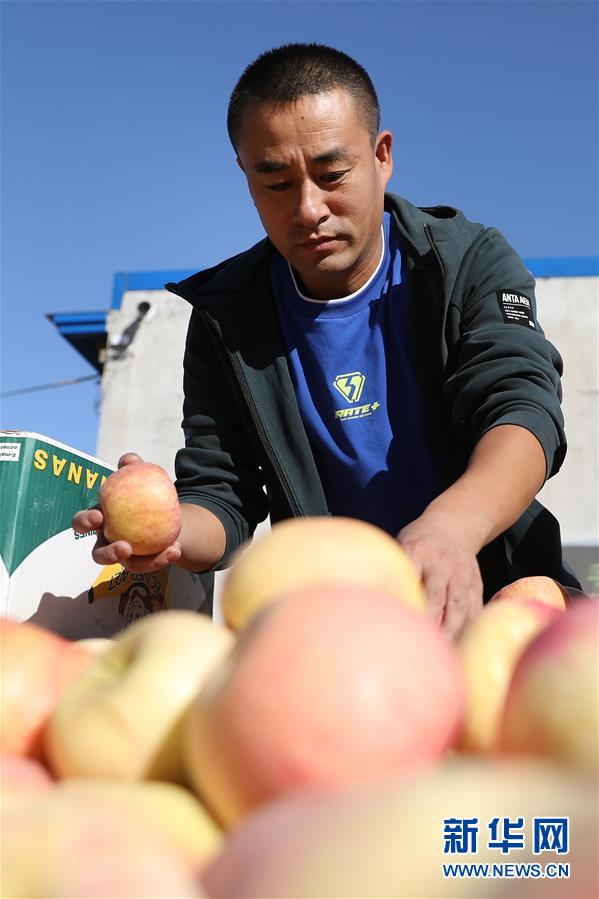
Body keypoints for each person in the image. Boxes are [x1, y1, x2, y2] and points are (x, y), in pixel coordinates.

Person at [74, 43, 580, 637]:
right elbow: (224, 496)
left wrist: (449, 529)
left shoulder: (466, 263)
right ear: (246, 177)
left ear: (382, 156)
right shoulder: (225, 317)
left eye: (332, 174)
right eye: (278, 183)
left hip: (502, 607)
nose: (309, 208)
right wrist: (171, 532)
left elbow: (523, 413)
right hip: (329, 636)